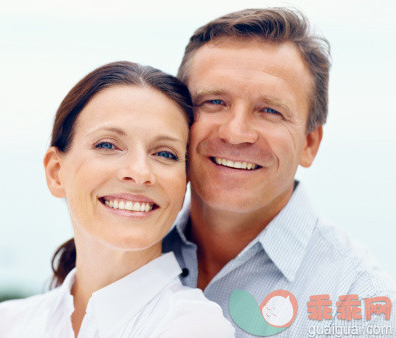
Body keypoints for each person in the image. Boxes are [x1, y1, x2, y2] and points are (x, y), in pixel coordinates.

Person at [162, 7, 396, 336]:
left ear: (309, 143)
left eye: (270, 110)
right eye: (214, 102)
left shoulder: (357, 304)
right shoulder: (126, 254)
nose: (236, 133)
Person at [0, 61, 235, 337]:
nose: (140, 172)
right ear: (56, 172)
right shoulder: (1, 325)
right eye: (107, 145)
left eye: (165, 153)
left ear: (185, 182)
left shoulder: (195, 326)